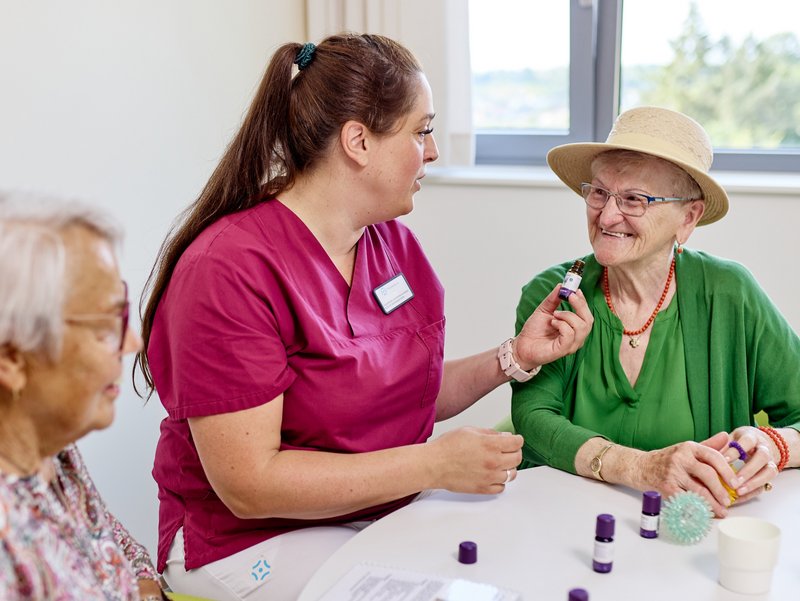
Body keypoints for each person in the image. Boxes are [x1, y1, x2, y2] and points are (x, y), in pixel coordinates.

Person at [136, 33, 592, 600]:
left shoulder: (391, 245)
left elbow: (401, 391)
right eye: (421, 130)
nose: (432, 150)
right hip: (245, 539)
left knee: (509, 562)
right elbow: (249, 486)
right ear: (358, 141)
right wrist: (433, 465)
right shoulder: (229, 269)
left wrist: (514, 358)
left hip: (368, 512)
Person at [511, 106, 800, 519]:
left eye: (634, 199)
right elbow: (532, 417)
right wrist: (639, 467)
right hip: (562, 526)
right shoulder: (554, 293)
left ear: (689, 217)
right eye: (599, 192)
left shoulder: (729, 293)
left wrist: (775, 444)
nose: (608, 216)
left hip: (687, 533)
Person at [0, 192, 166, 600]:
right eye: (106, 326)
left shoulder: (54, 451)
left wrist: (143, 587)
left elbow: (121, 550)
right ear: (12, 361)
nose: (133, 342)